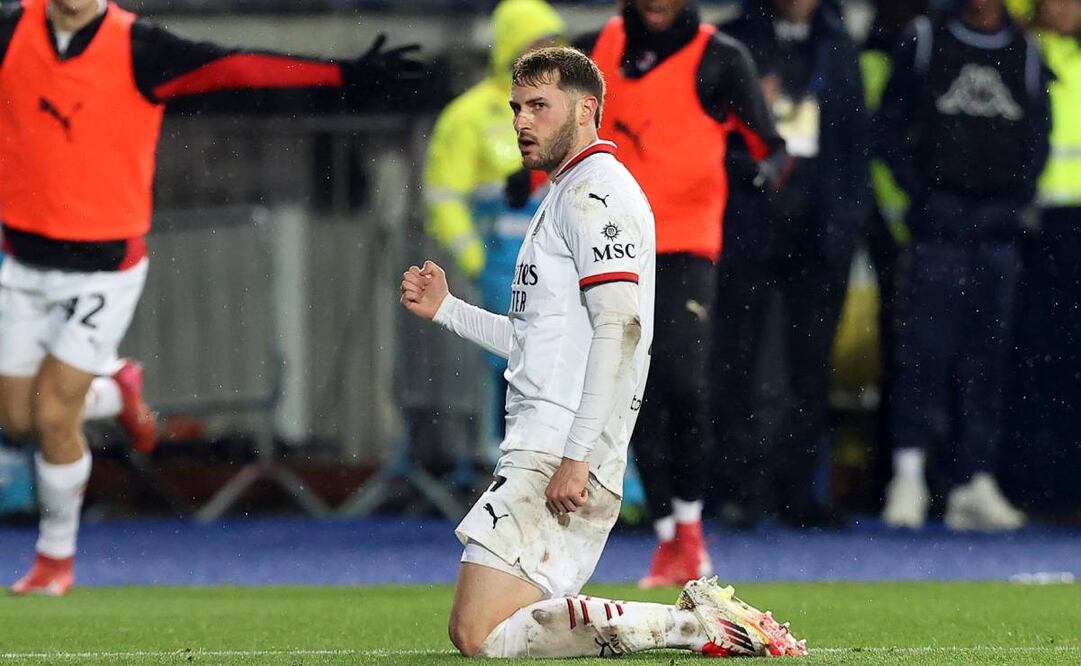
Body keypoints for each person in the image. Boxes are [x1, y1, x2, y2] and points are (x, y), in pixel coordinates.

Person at [0, 0, 421, 595]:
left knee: (50, 415)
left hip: (102, 268)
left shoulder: (140, 48)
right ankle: (113, 388)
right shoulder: (12, 32)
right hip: (22, 263)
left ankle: (54, 561)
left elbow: (237, 67)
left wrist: (342, 73)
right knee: (15, 419)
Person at [400, 46, 805, 659]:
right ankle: (694, 627)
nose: (520, 121)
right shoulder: (564, 194)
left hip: (561, 448)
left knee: (476, 633)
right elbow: (539, 342)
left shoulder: (596, 196)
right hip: (552, 443)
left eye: (539, 106)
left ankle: (695, 627)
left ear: (587, 110)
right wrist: (450, 310)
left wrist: (578, 455)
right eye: (516, 107)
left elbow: (619, 328)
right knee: (492, 632)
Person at [574, 0, 788, 588]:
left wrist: (762, 172)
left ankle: (691, 533)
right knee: (629, 389)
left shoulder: (720, 59)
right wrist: (533, 171)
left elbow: (773, 144)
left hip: (688, 242)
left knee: (685, 383)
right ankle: (669, 536)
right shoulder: (594, 50)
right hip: (609, 244)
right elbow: (564, 131)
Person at [875, 0, 1050, 531]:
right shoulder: (926, 39)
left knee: (987, 359)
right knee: (922, 354)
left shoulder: (1024, 51)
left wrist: (1012, 202)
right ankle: (908, 474)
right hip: (938, 229)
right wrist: (922, 197)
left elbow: (1038, 137)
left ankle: (974, 480)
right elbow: (887, 127)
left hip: (996, 231)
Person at [713, 0, 870, 530]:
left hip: (820, 230)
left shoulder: (838, 44)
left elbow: (853, 142)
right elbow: (712, 131)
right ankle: (738, 489)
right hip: (749, 222)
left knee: (811, 368)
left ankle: (799, 491)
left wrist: (847, 222)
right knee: (739, 364)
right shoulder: (732, 43)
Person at [424, 0, 565, 459]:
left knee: (578, 362)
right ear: (511, 49)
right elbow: (443, 196)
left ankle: (601, 483)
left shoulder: (569, 111)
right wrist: (476, 260)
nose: (550, 53)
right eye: (538, 45)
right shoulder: (468, 117)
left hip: (567, 258)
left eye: (554, 44)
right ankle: (507, 469)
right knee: (513, 365)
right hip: (504, 260)